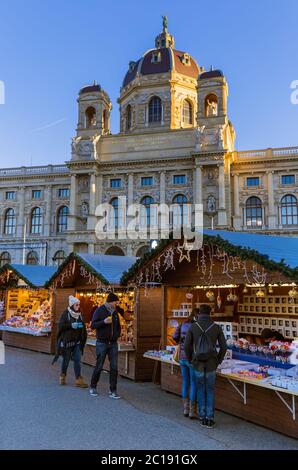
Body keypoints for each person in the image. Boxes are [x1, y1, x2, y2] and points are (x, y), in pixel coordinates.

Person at [184, 304, 227, 429]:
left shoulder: (193, 327)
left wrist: (191, 359)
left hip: (197, 363)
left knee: (200, 389)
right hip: (211, 364)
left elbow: (187, 346)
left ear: (199, 313)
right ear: (210, 313)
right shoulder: (216, 327)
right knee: (210, 390)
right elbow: (224, 347)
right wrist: (218, 360)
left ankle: (202, 417)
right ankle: (210, 418)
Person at [89, 292, 121, 399]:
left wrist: (117, 335)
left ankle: (113, 390)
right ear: (111, 302)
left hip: (113, 343)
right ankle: (93, 387)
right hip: (102, 342)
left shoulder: (115, 312)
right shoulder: (100, 310)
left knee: (114, 367)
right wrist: (104, 321)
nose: (117, 303)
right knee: (99, 365)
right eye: (116, 302)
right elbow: (93, 325)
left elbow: (118, 326)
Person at [53, 295, 88, 388]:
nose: (78, 306)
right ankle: (63, 375)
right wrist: (71, 325)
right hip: (67, 342)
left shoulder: (80, 314)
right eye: (76, 305)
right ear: (72, 305)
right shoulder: (65, 314)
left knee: (77, 360)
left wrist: (81, 326)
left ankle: (78, 379)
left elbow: (82, 326)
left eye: (79, 305)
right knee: (66, 360)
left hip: (77, 342)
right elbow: (61, 326)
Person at [173, 311, 198, 419]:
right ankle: (192, 411)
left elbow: (174, 336)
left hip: (182, 357)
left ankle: (185, 408)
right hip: (192, 358)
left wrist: (181, 343)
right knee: (193, 383)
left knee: (185, 383)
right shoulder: (196, 327)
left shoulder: (182, 324)